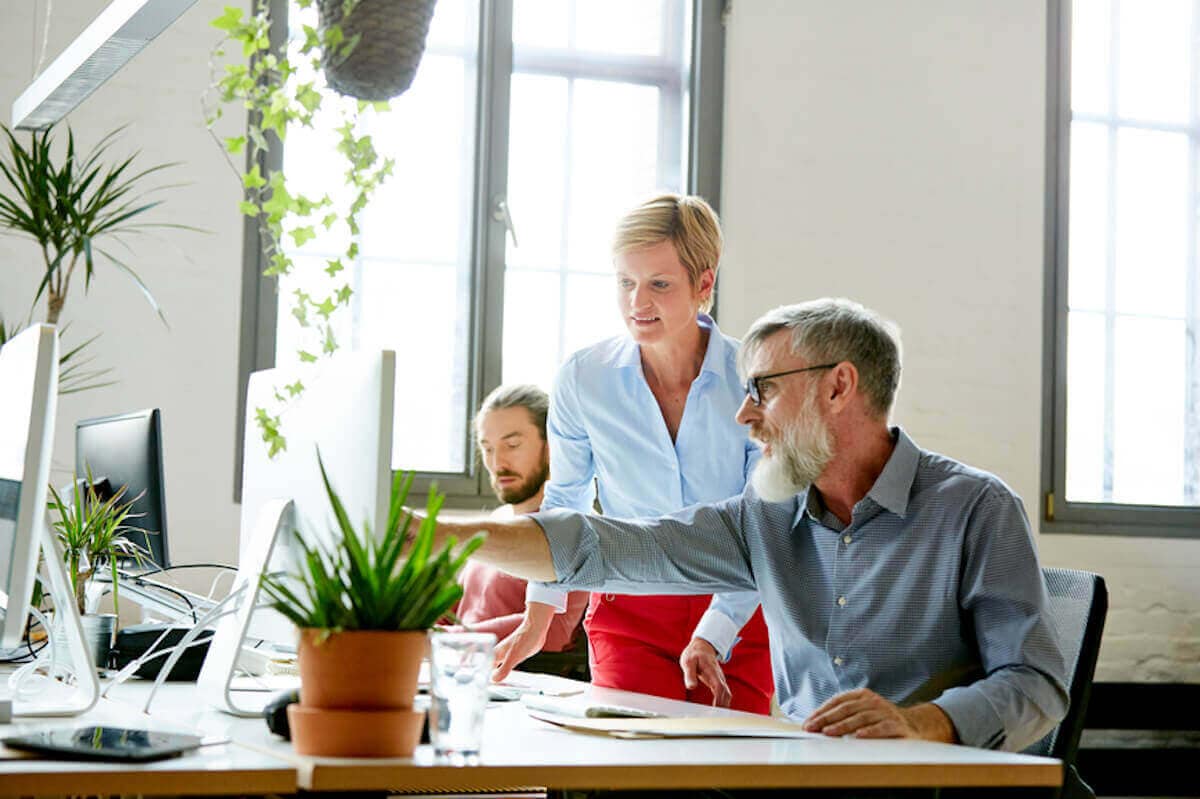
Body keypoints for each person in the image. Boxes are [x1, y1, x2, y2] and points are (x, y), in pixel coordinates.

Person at [427, 298, 1069, 751]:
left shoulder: (976, 508)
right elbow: (613, 548)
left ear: (838, 386)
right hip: (804, 779)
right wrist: (445, 534)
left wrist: (921, 722)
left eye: (762, 389)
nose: (742, 415)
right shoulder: (766, 518)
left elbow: (1036, 685)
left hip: (936, 791)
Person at [492, 194, 774, 714]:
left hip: (738, 606)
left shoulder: (756, 383)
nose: (637, 302)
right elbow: (566, 498)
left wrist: (715, 631)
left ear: (704, 284)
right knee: (632, 768)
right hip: (629, 606)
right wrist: (540, 615)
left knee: (729, 778)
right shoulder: (585, 378)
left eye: (659, 284)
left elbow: (765, 521)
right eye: (626, 282)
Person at [452, 384, 587, 652]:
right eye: (487, 449)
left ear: (552, 447)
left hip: (519, 678)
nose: (498, 463)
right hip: (464, 668)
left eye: (512, 445)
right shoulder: (498, 518)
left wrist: (452, 640)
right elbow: (457, 609)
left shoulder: (573, 528)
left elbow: (556, 630)